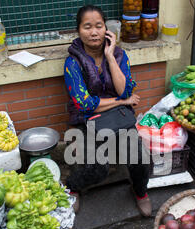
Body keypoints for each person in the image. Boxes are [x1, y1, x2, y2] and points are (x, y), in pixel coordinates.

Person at [63, 5, 152, 217]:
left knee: (139, 157)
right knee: (98, 167)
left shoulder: (120, 56)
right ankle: (72, 186)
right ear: (79, 30)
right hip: (86, 121)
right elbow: (84, 103)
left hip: (118, 119)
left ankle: (140, 191)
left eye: (98, 26)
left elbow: (126, 90)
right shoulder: (73, 62)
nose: (94, 32)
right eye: (87, 27)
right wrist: (121, 102)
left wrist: (110, 56)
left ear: (106, 29)